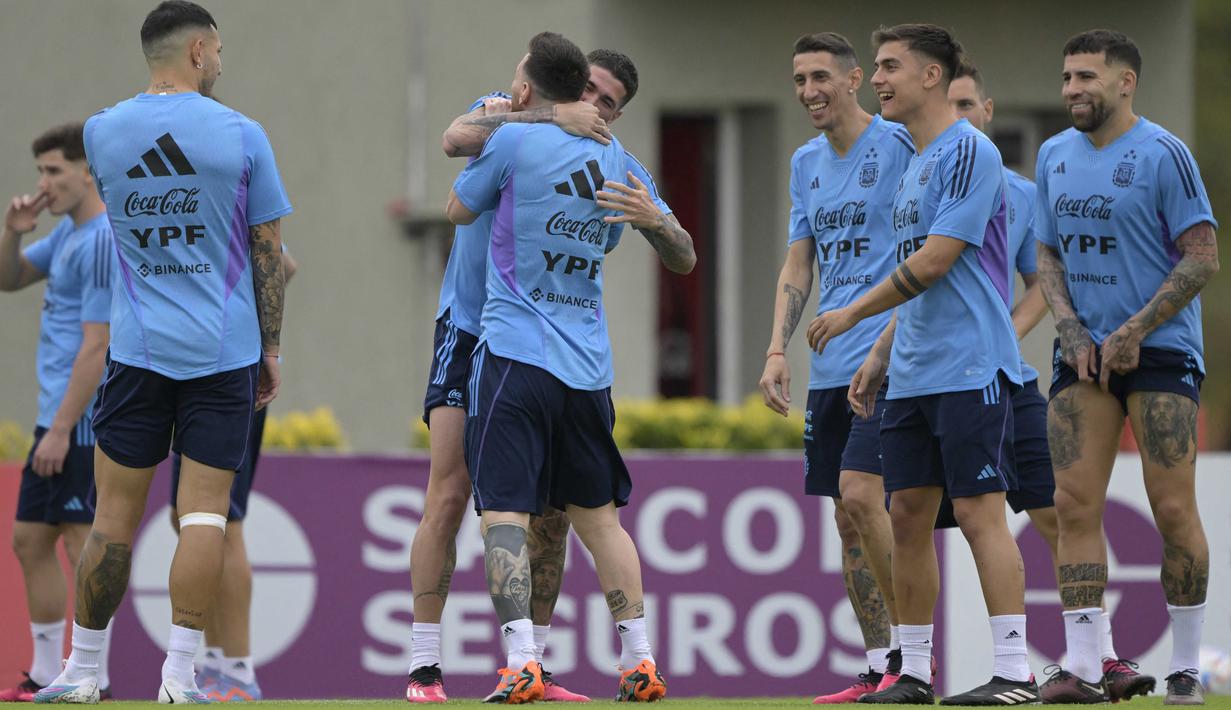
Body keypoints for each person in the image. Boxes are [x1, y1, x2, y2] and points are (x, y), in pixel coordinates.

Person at [407, 48, 688, 704]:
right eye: (585, 88)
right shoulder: (507, 116)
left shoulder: (609, 154)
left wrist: (656, 223)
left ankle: (532, 662)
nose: (593, 103)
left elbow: (679, 247)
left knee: (553, 518)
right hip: (472, 327)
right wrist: (549, 114)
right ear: (566, 86)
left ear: (617, 112)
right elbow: (454, 138)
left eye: (606, 100)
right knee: (449, 494)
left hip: (538, 347)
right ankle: (424, 666)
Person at [34, 1, 292, 703]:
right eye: (221, 52)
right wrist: (272, 348)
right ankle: (179, 677)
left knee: (113, 519)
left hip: (138, 350)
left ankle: (82, 670)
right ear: (202, 51)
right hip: (224, 352)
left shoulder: (103, 133)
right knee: (205, 516)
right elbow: (269, 255)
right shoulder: (241, 134)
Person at [808, 23, 1036, 705]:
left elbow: (935, 260)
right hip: (911, 372)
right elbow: (921, 278)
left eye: (887, 67)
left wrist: (852, 315)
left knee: (977, 515)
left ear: (930, 76)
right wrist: (879, 356)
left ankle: (1015, 672)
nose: (876, 79)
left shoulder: (969, 151)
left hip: (969, 367)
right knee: (904, 513)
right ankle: (910, 671)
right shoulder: (912, 161)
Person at [944, 59, 1153, 703]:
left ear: (987, 110)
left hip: (1009, 382)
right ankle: (906, 666)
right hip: (935, 384)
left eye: (966, 105)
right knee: (903, 521)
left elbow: (1043, 280)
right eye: (945, 106)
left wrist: (1004, 330)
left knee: (1058, 514)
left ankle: (1104, 656)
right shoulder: (920, 183)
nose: (956, 118)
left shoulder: (1021, 192)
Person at [1032, 30, 1218, 705]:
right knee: (1071, 502)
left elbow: (1200, 256)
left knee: (1171, 507)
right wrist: (1070, 325)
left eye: (1084, 77)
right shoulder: (1052, 154)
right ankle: (1083, 664)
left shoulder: (1163, 154)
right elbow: (1045, 254)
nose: (1071, 90)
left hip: (1160, 350)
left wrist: (1136, 329)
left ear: (1123, 82)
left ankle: (1186, 666)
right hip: (1081, 350)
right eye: (1066, 78)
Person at [757, 31, 916, 704]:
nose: (808, 92)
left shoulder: (900, 144)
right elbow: (800, 262)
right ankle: (880, 663)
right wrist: (774, 349)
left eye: (820, 77)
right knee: (846, 520)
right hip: (827, 367)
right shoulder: (805, 163)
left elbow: (926, 251)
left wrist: (887, 339)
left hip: (888, 362)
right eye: (798, 80)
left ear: (854, 81)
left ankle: (915, 651)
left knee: (862, 495)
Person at [0, 123, 114, 702]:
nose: (42, 184)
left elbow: (98, 344)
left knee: (81, 543)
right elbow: (9, 278)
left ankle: (94, 676)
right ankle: (47, 671)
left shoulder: (99, 239)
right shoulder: (68, 234)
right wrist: (12, 234)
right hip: (55, 417)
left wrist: (65, 428)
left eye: (53, 171)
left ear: (87, 171)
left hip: (84, 421)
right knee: (28, 539)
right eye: (40, 171)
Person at [166, 245, 297, 703]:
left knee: (223, 520)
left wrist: (244, 326)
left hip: (228, 374)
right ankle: (220, 661)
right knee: (188, 518)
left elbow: (284, 264)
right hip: (193, 372)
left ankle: (239, 668)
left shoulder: (227, 195)